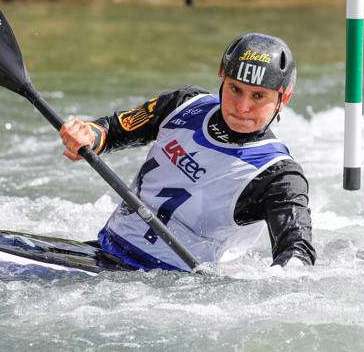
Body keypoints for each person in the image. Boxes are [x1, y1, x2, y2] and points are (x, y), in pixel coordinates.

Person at [59, 32, 316, 272]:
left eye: (258, 96)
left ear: (284, 97)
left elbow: (297, 254)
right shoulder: (183, 105)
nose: (242, 107)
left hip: (168, 289)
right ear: (222, 76)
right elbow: (113, 130)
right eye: (235, 89)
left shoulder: (278, 177)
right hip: (107, 250)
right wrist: (89, 134)